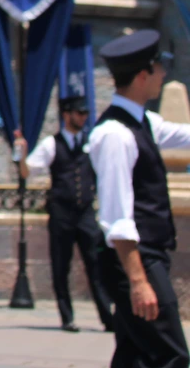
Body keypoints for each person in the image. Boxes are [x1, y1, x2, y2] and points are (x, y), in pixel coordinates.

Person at [91, 29, 190, 368]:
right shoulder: (115, 135)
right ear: (142, 75)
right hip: (134, 260)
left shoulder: (142, 122)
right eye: (159, 67)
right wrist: (137, 281)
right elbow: (116, 217)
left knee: (134, 357)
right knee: (171, 357)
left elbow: (183, 135)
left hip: (146, 257)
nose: (164, 74)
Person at [15, 95, 115, 332]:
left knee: (96, 265)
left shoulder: (91, 143)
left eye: (85, 113)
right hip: (62, 215)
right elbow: (27, 172)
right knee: (61, 267)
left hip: (85, 214)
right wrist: (21, 154)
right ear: (67, 115)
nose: (83, 118)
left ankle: (107, 318)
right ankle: (67, 317)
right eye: (79, 113)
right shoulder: (52, 144)